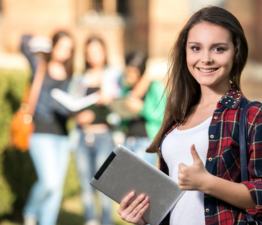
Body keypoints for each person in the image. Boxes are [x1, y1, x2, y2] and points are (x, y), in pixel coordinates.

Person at [117, 6, 262, 225]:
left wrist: (207, 182)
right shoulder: (177, 116)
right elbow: (176, 204)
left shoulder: (256, 116)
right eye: (196, 48)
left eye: (219, 49)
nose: (205, 59)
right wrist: (143, 218)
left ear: (236, 53)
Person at [21, 31, 74, 225]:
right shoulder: (39, 66)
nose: (65, 53)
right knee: (49, 181)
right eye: (62, 47)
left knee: (57, 188)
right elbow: (23, 42)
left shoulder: (69, 75)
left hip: (62, 135)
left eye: (69, 50)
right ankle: (30, 210)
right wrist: (38, 39)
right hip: (40, 132)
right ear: (53, 46)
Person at [71, 36, 121, 225]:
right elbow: (72, 105)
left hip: (105, 136)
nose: (93, 56)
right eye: (89, 52)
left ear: (104, 52)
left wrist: (110, 98)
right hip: (82, 136)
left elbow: (122, 99)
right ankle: (90, 220)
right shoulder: (79, 78)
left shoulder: (114, 75)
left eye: (97, 51)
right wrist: (78, 116)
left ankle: (106, 221)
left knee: (104, 185)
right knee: (86, 185)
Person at [121, 51, 166, 166]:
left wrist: (142, 108)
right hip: (129, 140)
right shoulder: (128, 88)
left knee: (141, 181)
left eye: (133, 72)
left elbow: (164, 115)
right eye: (127, 72)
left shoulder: (154, 86)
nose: (129, 76)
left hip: (146, 141)